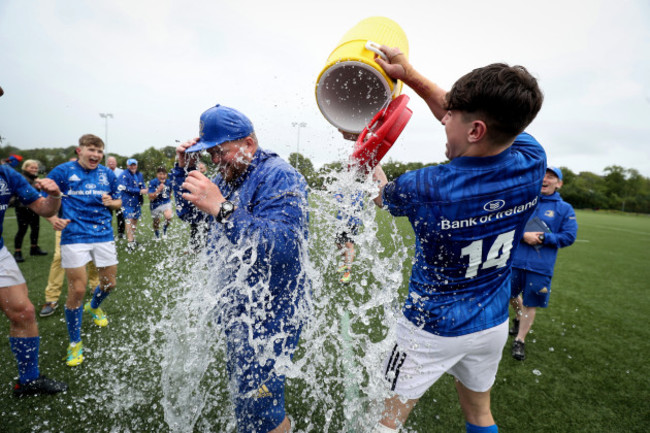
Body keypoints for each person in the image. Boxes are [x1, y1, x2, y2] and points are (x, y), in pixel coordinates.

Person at [369, 46, 545, 433]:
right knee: (479, 414)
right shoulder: (533, 159)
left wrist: (369, 155)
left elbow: (380, 195)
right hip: (492, 323)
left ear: (475, 129)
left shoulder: (425, 185)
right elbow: (477, 127)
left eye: (450, 115)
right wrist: (410, 74)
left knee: (384, 422)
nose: (443, 116)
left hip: (429, 330)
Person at [171, 104, 309, 433]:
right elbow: (188, 215)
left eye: (220, 151)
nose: (215, 160)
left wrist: (222, 207)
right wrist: (183, 171)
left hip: (272, 309)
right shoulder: (229, 174)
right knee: (248, 398)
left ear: (248, 144)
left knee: (260, 408)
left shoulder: (280, 174)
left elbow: (284, 247)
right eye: (210, 153)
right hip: (239, 303)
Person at [47, 134, 122, 367]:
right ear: (80, 150)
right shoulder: (61, 171)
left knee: (110, 284)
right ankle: (75, 343)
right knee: (77, 290)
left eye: (100, 151)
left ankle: (95, 306)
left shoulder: (107, 174)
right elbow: (43, 200)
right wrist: (51, 218)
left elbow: (120, 201)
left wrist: (112, 203)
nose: (96, 155)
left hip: (102, 234)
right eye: (92, 150)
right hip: (74, 236)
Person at [0, 163, 68, 396]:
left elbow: (44, 209)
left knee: (24, 312)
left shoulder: (6, 173)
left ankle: (28, 380)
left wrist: (54, 195)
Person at [509, 166, 578, 360]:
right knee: (508, 294)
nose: (545, 179)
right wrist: (523, 235)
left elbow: (569, 237)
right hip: (514, 261)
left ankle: (519, 340)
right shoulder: (523, 202)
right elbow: (507, 226)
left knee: (531, 303)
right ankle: (518, 316)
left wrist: (542, 239)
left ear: (559, 183)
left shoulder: (564, 209)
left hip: (540, 266)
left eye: (551, 177)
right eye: (543, 175)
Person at [39, 215, 100, 317]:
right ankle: (52, 298)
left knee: (93, 254)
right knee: (60, 257)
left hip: (91, 221)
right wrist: (54, 219)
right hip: (66, 223)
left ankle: (95, 285)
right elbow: (44, 202)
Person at [13, 159, 48, 262]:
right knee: (22, 229)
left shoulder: (35, 178)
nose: (34, 169)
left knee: (35, 228)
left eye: (36, 168)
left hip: (34, 206)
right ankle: (17, 252)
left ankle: (34, 248)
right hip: (22, 207)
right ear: (25, 168)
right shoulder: (21, 178)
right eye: (31, 167)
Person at [334, 189, 364, 284]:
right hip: (341, 220)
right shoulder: (344, 184)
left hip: (353, 221)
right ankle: (345, 263)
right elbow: (337, 194)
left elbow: (358, 202)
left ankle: (348, 273)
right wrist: (338, 197)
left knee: (349, 244)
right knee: (338, 243)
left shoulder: (359, 187)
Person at [118, 158, 147, 251]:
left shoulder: (139, 174)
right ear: (127, 165)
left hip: (137, 201)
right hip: (127, 201)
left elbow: (142, 185)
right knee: (129, 220)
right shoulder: (123, 175)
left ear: (137, 165)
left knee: (135, 220)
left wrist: (145, 189)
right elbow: (125, 188)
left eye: (134, 165)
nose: (133, 166)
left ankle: (133, 239)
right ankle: (130, 242)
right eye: (131, 165)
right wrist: (140, 190)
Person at [148, 166, 173, 239]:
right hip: (155, 204)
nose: (162, 176)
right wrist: (159, 190)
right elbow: (150, 197)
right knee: (156, 222)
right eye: (160, 174)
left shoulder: (169, 182)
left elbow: (170, 191)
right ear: (157, 174)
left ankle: (164, 230)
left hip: (165, 202)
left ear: (166, 175)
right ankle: (157, 234)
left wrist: (169, 197)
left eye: (164, 174)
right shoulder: (152, 182)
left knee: (168, 217)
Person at [106, 156, 126, 239]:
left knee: (121, 216)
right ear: (107, 163)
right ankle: (108, 232)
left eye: (113, 162)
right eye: (110, 162)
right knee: (108, 216)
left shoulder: (121, 172)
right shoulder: (104, 171)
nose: (111, 163)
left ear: (116, 163)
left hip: (119, 198)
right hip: (108, 198)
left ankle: (121, 233)